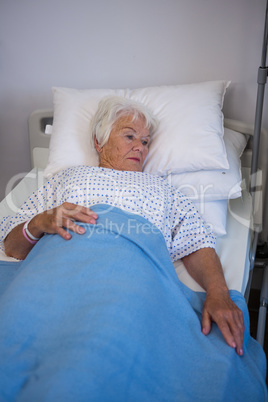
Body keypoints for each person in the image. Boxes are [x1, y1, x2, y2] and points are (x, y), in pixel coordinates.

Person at [2, 96, 244, 356]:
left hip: (129, 282)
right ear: (99, 141)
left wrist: (218, 293)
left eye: (145, 141)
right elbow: (12, 246)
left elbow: (197, 243)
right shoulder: (67, 178)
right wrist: (40, 222)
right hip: (57, 273)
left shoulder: (164, 190)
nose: (140, 147)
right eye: (129, 136)